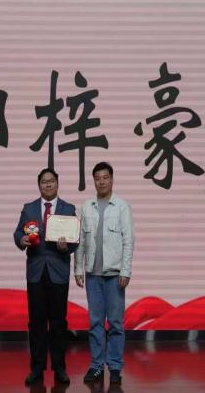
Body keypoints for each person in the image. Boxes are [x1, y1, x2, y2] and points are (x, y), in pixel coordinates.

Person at [13, 168, 77, 386]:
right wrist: (21, 240)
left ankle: (60, 368)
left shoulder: (68, 208)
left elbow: (75, 240)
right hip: (36, 273)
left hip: (58, 272)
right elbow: (18, 233)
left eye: (51, 181)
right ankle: (37, 368)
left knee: (59, 323)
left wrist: (66, 246)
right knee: (36, 322)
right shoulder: (29, 208)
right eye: (43, 182)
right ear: (39, 185)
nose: (48, 185)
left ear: (57, 184)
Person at [74, 162, 135, 385]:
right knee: (95, 322)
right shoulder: (87, 206)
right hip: (93, 274)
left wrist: (125, 270)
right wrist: (78, 268)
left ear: (112, 179)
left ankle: (115, 367)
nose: (101, 182)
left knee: (116, 323)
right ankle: (97, 366)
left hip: (115, 275)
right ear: (94, 181)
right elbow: (80, 240)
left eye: (105, 177)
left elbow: (129, 240)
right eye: (98, 178)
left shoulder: (122, 206)